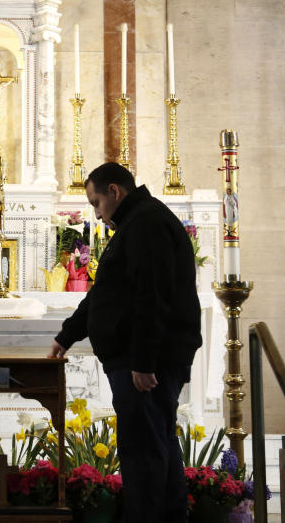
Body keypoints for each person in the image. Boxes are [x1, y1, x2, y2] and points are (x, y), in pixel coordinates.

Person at [49, 162, 202, 523]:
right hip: (142, 358)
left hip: (147, 363)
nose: (97, 214)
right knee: (155, 447)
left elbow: (153, 295)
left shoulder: (146, 223)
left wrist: (144, 361)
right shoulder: (137, 223)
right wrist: (67, 335)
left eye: (97, 203)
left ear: (115, 191)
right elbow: (110, 294)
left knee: (145, 455)